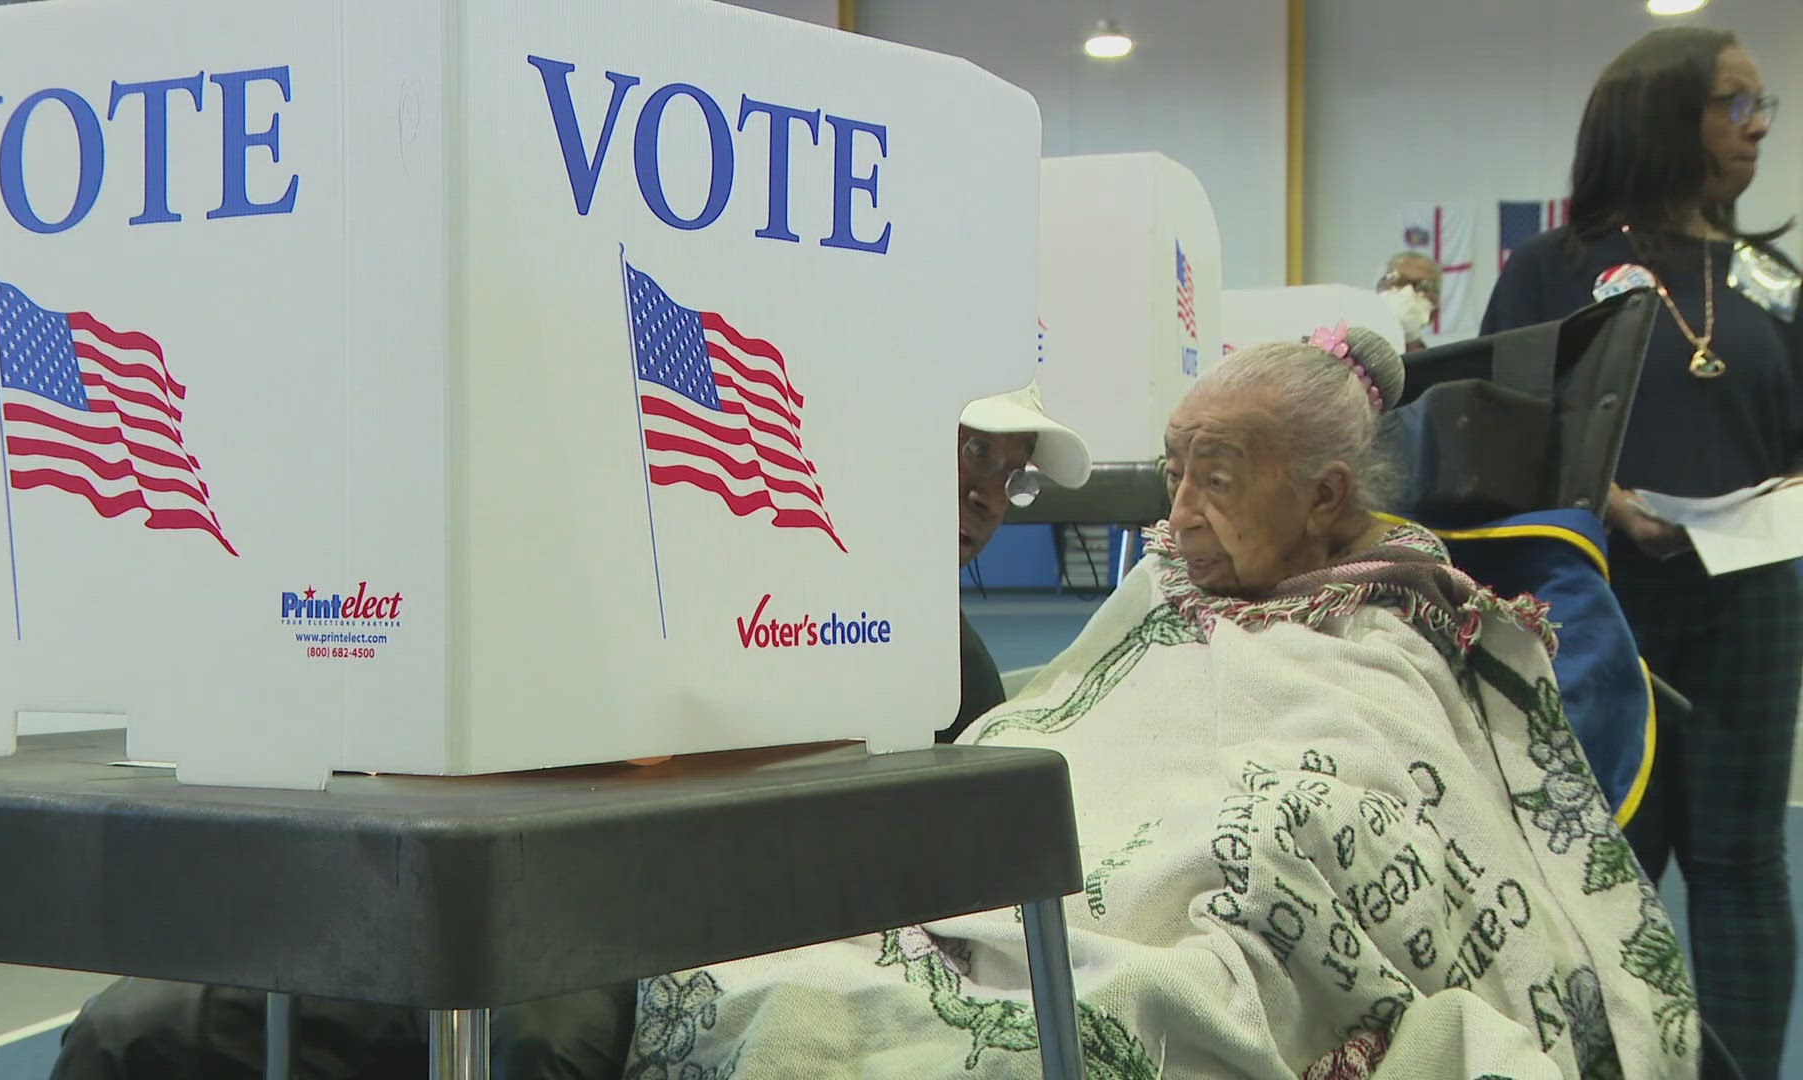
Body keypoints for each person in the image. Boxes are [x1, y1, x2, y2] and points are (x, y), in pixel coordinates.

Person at [618, 328, 1697, 1079]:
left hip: (1195, 912)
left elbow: (1370, 807)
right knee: (782, 984)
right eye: (1174, 472)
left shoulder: (1398, 636)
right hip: (1003, 894)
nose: (1176, 513)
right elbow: (1049, 729)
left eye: (1215, 477)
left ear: (1326, 497)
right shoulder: (1143, 602)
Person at [50, 384, 1093, 1080]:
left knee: (534, 1043)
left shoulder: (947, 669)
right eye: (967, 454)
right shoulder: (665, 556)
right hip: (451, 890)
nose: (985, 497)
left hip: (649, 948)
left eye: (1008, 475)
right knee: (128, 1032)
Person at [1481, 27, 1798, 1078]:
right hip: (1589, 606)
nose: (1757, 129)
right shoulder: (1546, 273)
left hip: (1750, 606)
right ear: (1662, 117)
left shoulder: (1770, 282)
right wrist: (1602, 497)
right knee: (1601, 862)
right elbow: (1493, 430)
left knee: (1742, 862)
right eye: (1734, 105)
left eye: (1763, 109)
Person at [942, 382, 1093, 743]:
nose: (993, 501)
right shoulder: (804, 627)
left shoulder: (965, 676)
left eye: (1015, 474)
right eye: (977, 450)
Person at [1377, 251, 1442, 353]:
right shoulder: (1348, 362)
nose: (1407, 292)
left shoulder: (1441, 368)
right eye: (1398, 281)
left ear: (1434, 314)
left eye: (1421, 286)